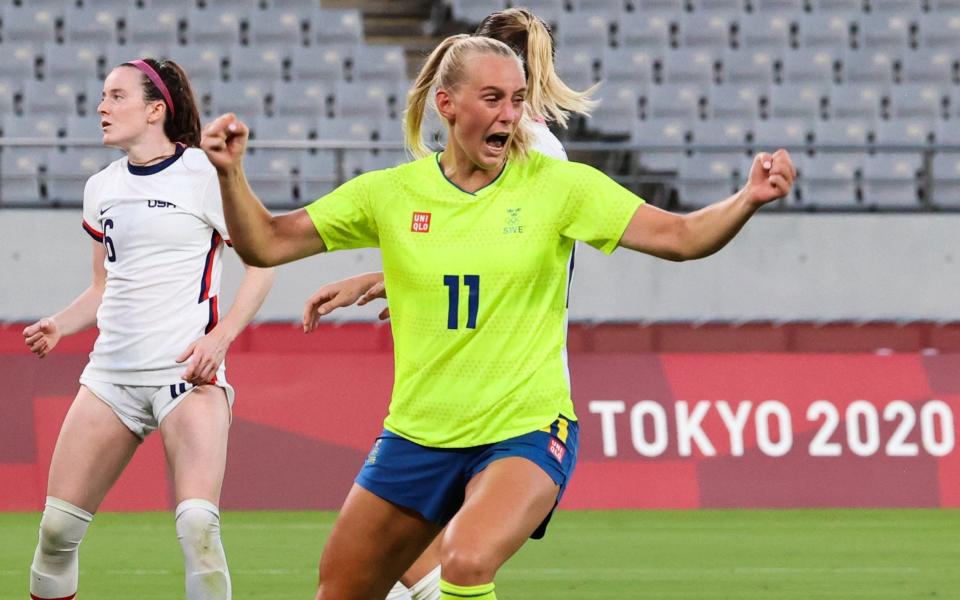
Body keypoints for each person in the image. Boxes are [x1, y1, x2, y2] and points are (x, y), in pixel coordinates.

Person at [201, 31, 794, 600]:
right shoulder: (390, 193)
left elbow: (681, 237)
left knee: (465, 558)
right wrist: (231, 174)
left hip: (526, 430)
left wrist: (746, 200)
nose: (510, 115)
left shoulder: (561, 187)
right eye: (492, 99)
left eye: (516, 99)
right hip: (418, 434)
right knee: (340, 587)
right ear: (447, 105)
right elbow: (268, 244)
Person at [305, 12, 595, 597]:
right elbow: (470, 242)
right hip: (473, 385)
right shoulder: (523, 143)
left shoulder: (534, 151)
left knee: (432, 560)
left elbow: (499, 246)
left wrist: (385, 276)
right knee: (411, 562)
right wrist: (388, 277)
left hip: (503, 384)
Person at [22, 58, 275, 600]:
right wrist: (60, 325)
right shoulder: (102, 188)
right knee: (56, 532)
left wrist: (221, 337)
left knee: (198, 528)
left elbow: (264, 261)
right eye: (103, 97)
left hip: (187, 378)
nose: (101, 108)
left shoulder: (205, 173)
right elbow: (103, 285)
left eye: (116, 96)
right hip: (110, 378)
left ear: (156, 109)